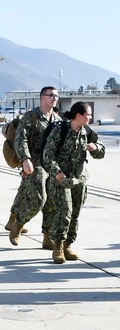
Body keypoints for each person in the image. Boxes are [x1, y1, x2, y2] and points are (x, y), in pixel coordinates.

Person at [42, 101, 105, 264]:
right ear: (79, 115)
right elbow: (47, 156)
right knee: (64, 212)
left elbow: (101, 152)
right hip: (62, 179)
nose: (90, 117)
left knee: (75, 214)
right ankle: (58, 246)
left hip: (79, 180)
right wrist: (58, 174)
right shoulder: (60, 130)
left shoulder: (88, 132)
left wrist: (95, 147)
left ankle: (68, 245)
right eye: (88, 114)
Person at [8, 86, 61, 247]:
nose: (54, 98)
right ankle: (18, 223)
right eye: (51, 95)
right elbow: (20, 139)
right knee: (39, 199)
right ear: (42, 98)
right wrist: (25, 159)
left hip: (52, 165)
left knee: (52, 202)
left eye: (56, 96)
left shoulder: (57, 119)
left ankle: (47, 237)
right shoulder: (31, 117)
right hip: (35, 163)